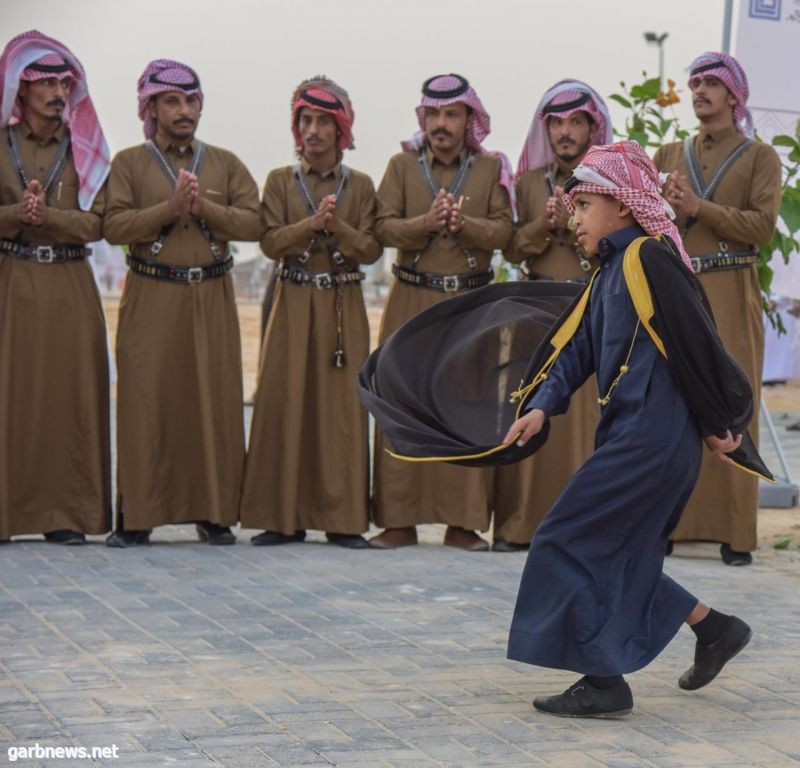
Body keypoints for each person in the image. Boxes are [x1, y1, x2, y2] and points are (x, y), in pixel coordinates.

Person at [503, 140, 763, 718]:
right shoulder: (609, 272)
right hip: (637, 436)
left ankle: (603, 681)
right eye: (571, 209)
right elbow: (576, 352)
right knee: (617, 554)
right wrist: (544, 404)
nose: (574, 219)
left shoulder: (646, 258)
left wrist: (723, 423)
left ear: (622, 205)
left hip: (654, 437)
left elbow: (696, 346)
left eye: (584, 206)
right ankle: (714, 629)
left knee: (564, 539)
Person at [103, 59, 262, 547]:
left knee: (211, 403)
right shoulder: (129, 163)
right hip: (151, 292)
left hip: (210, 297)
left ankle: (213, 513)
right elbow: (112, 226)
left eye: (191, 100)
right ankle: (138, 516)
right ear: (151, 106)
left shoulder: (225, 163)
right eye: (172, 101)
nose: (184, 110)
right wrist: (168, 210)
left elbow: (254, 225)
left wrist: (202, 208)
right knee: (146, 401)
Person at [371, 73, 513, 550]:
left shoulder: (490, 170)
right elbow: (383, 228)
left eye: (452, 114)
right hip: (411, 298)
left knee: (468, 405)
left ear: (470, 119)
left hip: (469, 304)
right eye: (433, 114)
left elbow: (504, 233)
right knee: (401, 403)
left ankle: (463, 522)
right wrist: (424, 224)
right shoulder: (401, 166)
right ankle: (397, 520)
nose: (441, 123)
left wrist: (464, 225)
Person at [239, 77, 380, 548]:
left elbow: (371, 249)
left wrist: (336, 227)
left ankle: (342, 521)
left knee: (340, 412)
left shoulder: (359, 186)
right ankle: (281, 519)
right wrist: (309, 225)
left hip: (343, 307)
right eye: (306, 120)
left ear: (341, 130)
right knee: (284, 402)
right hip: (293, 300)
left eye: (323, 121)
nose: (313, 130)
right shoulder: (281, 181)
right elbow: (269, 240)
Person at [654, 52, 782, 566]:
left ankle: (735, 533)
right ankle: (670, 524)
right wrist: (667, 210)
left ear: (734, 95)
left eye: (711, 82)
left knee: (733, 401)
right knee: (675, 400)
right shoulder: (667, 154)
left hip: (732, 286)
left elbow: (761, 228)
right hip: (679, 290)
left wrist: (697, 208)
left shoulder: (760, 158)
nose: (700, 90)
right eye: (694, 82)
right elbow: (648, 221)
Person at [0, 30, 111, 545]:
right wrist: (15, 214)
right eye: (43, 81)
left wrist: (55, 219)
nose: (56, 91)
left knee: (71, 397)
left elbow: (101, 224)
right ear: (19, 90)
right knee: (11, 396)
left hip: (70, 282)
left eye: (63, 81)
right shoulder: (1, 145)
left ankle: (66, 516)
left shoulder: (85, 151)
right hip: (13, 282)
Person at [493, 81, 611, 552]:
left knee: (581, 421)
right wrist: (542, 226)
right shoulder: (526, 183)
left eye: (575, 122)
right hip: (535, 310)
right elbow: (510, 246)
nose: (565, 132)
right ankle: (519, 526)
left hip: (588, 307)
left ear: (591, 127)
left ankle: (582, 531)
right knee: (529, 408)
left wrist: (575, 221)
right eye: (556, 123)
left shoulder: (608, 182)